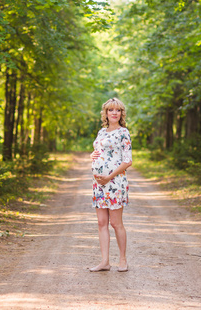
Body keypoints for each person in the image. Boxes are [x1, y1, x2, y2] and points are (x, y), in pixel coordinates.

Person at [89, 97, 132, 273]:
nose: (114, 113)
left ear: (121, 113)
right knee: (101, 222)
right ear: (105, 113)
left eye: (118, 110)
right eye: (111, 110)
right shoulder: (101, 133)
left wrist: (109, 177)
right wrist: (92, 155)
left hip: (115, 182)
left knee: (115, 223)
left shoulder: (124, 132)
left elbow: (127, 161)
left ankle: (122, 260)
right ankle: (105, 261)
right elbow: (100, 151)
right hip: (99, 183)